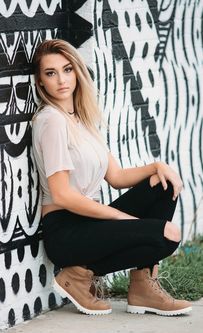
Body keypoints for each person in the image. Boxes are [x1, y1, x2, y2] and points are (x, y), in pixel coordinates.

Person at [31, 39, 192, 316]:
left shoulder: (81, 119)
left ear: (77, 72)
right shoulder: (52, 120)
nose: (61, 80)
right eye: (50, 73)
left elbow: (116, 176)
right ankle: (78, 276)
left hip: (90, 221)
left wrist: (157, 166)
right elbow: (62, 194)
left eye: (67, 69)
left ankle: (143, 287)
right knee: (168, 234)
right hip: (66, 231)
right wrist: (118, 216)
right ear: (40, 81)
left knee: (162, 185)